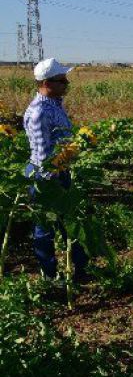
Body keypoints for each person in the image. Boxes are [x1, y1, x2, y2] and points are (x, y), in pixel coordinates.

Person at [22, 58, 89, 282]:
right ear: (46, 83)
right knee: (45, 227)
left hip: (60, 172)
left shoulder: (54, 105)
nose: (66, 84)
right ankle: (50, 277)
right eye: (62, 80)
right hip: (47, 177)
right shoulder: (40, 112)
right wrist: (53, 183)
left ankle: (79, 271)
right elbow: (43, 156)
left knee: (70, 223)